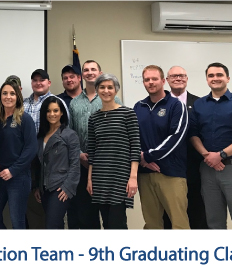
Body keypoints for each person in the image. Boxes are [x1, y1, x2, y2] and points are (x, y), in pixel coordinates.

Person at [190, 62, 232, 229]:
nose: (215, 78)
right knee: (213, 221)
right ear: (206, 80)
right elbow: (193, 134)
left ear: (227, 78)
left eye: (219, 75)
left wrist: (221, 155)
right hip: (208, 169)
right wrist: (208, 156)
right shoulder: (199, 105)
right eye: (211, 76)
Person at [134, 65, 189, 229]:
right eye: (147, 79)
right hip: (145, 174)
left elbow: (176, 136)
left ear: (163, 81)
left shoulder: (176, 105)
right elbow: (132, 137)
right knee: (152, 224)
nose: (151, 82)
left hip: (171, 173)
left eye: (154, 79)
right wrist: (142, 160)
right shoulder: (138, 107)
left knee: (179, 224)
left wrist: (148, 156)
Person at [69, 60, 122, 229]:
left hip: (108, 167)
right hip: (82, 165)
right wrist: (79, 154)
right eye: (86, 70)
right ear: (82, 75)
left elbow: (120, 133)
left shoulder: (114, 99)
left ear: (100, 73)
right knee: (86, 216)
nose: (89, 72)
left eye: (93, 69)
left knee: (112, 218)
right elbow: (70, 133)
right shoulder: (74, 103)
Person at [86, 74, 140, 229]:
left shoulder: (128, 114)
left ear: (116, 90)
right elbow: (93, 150)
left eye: (110, 87)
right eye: (102, 87)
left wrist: (133, 178)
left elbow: (135, 146)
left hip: (120, 176)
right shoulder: (94, 118)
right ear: (97, 90)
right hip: (100, 177)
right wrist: (89, 179)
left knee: (117, 224)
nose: (106, 91)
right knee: (106, 223)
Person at [0, 81, 37, 229]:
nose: (8, 97)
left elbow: (31, 149)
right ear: (0, 96)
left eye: (12, 93)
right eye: (5, 93)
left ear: (18, 96)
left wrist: (13, 170)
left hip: (18, 177)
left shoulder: (25, 119)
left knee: (17, 221)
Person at [22, 69, 69, 229]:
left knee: (52, 215)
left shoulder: (57, 103)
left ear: (49, 83)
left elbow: (67, 134)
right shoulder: (23, 104)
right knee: (31, 209)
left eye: (42, 80)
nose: (38, 82)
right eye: (35, 80)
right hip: (28, 162)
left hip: (52, 163)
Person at [164, 66, 206, 229]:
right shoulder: (160, 103)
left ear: (187, 79)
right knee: (170, 208)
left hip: (195, 164)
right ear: (167, 80)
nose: (178, 78)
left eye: (181, 75)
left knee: (197, 206)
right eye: (174, 76)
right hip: (169, 165)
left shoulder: (200, 103)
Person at [31, 96, 80, 229]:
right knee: (56, 225)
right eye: (48, 111)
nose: (52, 114)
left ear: (62, 112)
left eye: (55, 110)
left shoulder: (70, 135)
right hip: (44, 188)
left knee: (51, 225)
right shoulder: (40, 137)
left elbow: (75, 164)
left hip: (60, 187)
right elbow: (38, 164)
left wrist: (68, 187)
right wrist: (37, 186)